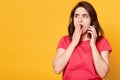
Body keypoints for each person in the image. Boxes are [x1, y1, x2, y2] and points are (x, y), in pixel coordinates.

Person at [52, 1, 112, 80]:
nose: (79, 20)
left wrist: (93, 45)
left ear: (91, 20)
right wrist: (73, 43)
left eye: (85, 16)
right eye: (76, 16)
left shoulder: (102, 42)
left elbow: (103, 73)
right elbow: (57, 69)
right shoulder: (65, 40)